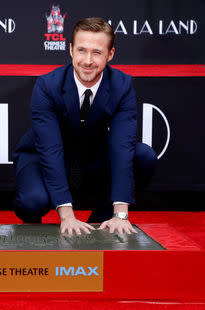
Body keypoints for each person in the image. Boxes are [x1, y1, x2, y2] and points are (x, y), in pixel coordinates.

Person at [13, 17, 157, 235]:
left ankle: (100, 224)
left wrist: (120, 214)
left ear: (110, 55)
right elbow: (50, 151)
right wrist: (68, 217)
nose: (87, 60)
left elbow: (122, 146)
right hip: (42, 158)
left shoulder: (122, 85)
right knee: (33, 200)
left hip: (90, 160)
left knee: (143, 155)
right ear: (70, 50)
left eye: (97, 52)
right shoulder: (48, 85)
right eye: (81, 50)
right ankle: (34, 229)